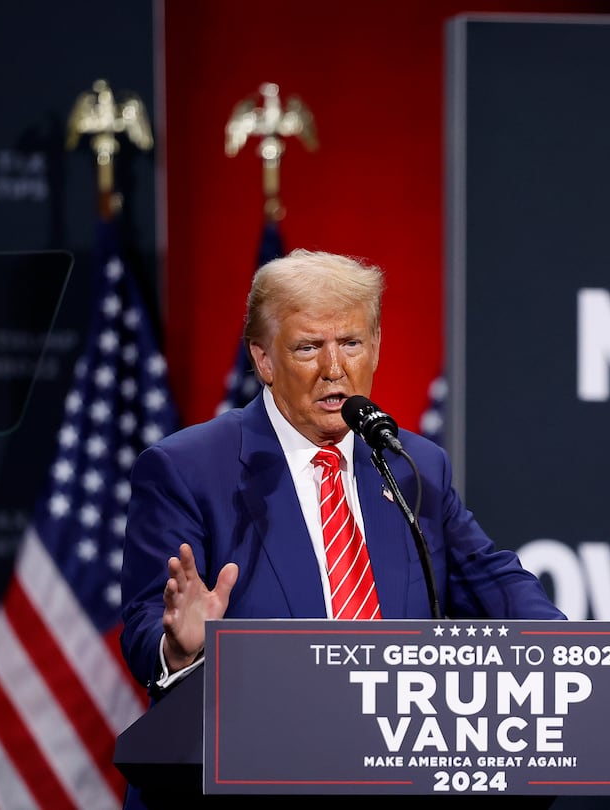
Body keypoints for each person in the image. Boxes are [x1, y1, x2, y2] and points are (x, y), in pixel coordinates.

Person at [118, 248, 565, 697]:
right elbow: (147, 624)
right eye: (308, 348)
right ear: (264, 360)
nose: (334, 370)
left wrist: (578, 654)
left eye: (351, 343)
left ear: (376, 346)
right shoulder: (188, 469)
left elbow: (492, 581)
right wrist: (178, 649)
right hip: (266, 749)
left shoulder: (413, 465)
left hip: (398, 748)